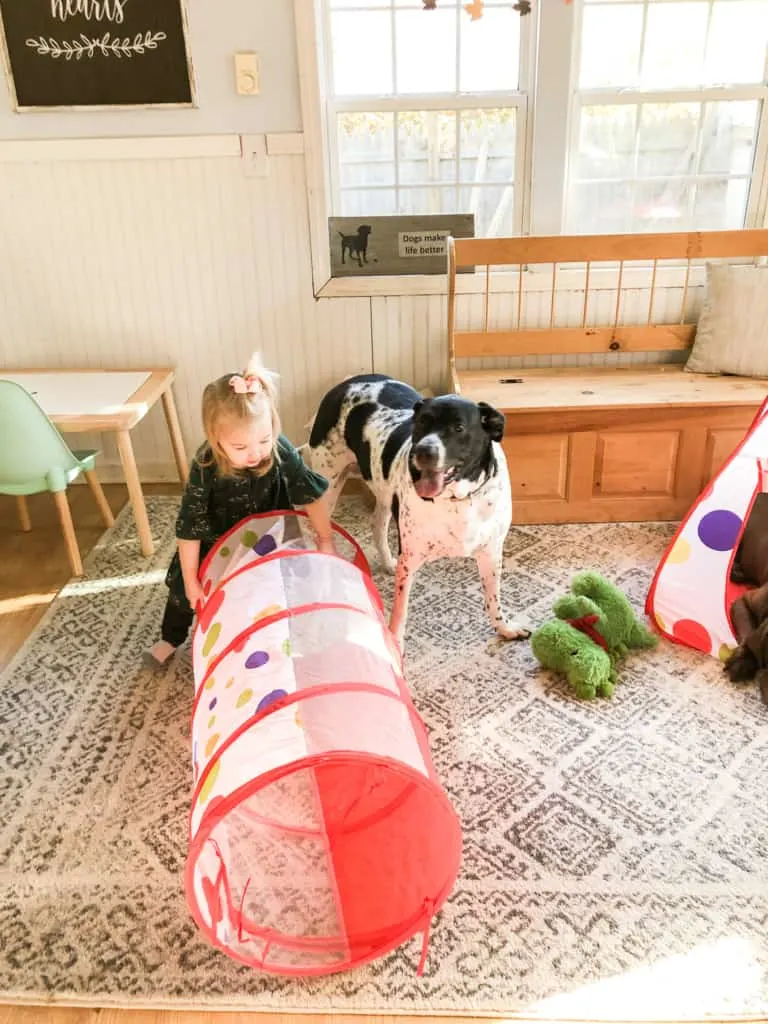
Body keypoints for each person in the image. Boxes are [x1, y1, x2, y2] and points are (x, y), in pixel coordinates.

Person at [145, 353, 333, 668]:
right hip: (214, 540)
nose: (255, 454)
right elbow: (189, 525)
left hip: (270, 535)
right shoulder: (205, 464)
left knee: (282, 585)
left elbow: (308, 492)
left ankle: (277, 633)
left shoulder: (279, 449)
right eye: (241, 448)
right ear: (216, 440)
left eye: (263, 439)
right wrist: (191, 579)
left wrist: (325, 538)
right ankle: (170, 637)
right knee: (182, 592)